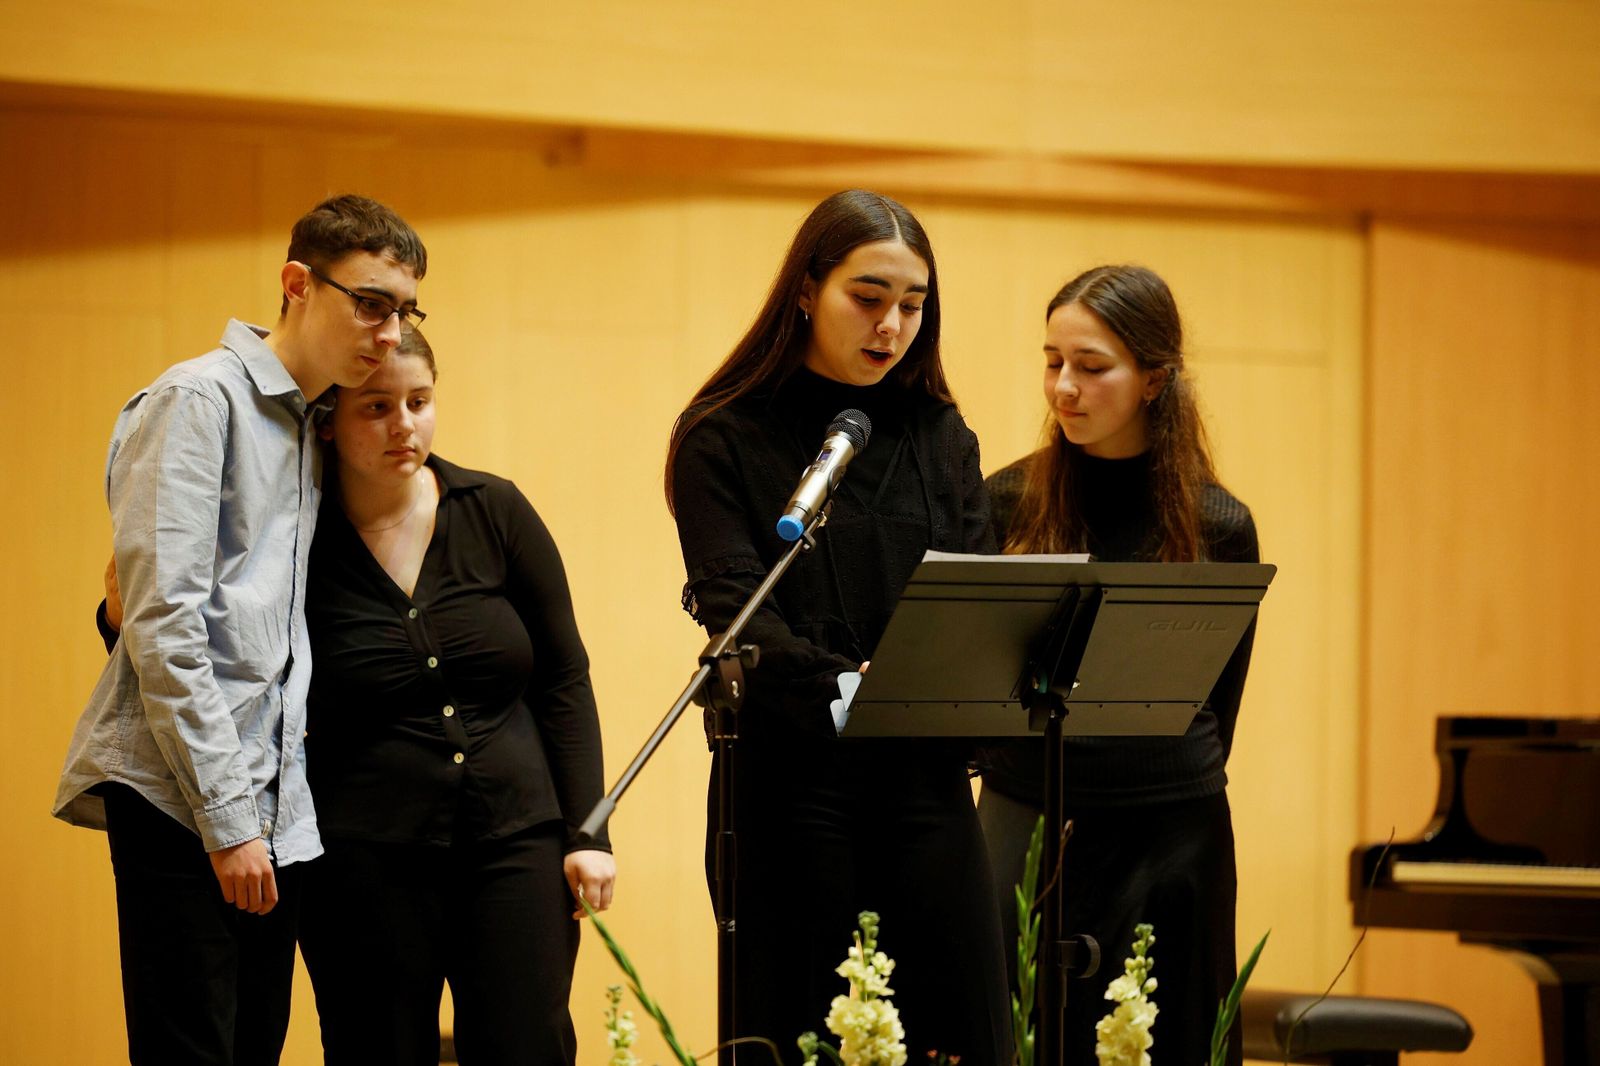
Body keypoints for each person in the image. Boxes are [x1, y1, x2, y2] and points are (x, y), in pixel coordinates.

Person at [54, 194, 428, 1066]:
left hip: (269, 803)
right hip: (183, 797)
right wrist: (227, 821)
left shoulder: (306, 422)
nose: (388, 332)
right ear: (297, 284)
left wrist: (260, 819)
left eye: (406, 311)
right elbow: (165, 627)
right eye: (370, 303)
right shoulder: (198, 399)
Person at [665, 189, 1010, 1064]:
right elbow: (741, 613)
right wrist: (857, 687)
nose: (891, 326)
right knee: (803, 1038)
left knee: (960, 1036)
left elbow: (976, 596)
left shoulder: (941, 435)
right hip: (789, 793)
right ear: (806, 289)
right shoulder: (721, 438)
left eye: (913, 305)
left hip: (924, 786)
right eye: (868, 297)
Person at [293, 328, 615, 1065]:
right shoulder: (299, 540)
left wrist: (588, 833)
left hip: (516, 839)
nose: (404, 424)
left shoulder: (493, 509)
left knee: (526, 1045)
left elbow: (565, 678)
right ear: (328, 421)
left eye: (419, 401)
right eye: (377, 407)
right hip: (363, 855)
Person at [976, 264, 1260, 1066]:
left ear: (1154, 381)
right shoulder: (1005, 504)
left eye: (1092, 367)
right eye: (1052, 362)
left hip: (1169, 837)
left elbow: (1217, 707)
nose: (1063, 387)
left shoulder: (1219, 525)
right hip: (1024, 817)